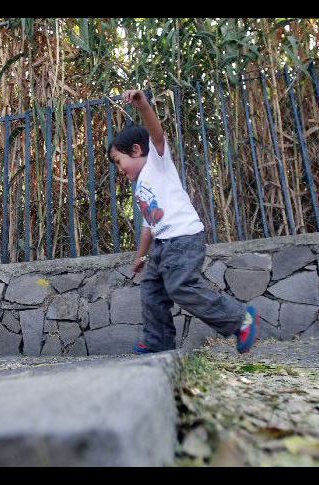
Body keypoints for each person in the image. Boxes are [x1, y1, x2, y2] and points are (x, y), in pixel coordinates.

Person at [108, 89, 259, 354]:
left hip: (183, 238)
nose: (119, 169)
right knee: (152, 290)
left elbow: (156, 134)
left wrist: (143, 106)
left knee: (181, 286)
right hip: (163, 245)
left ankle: (240, 319)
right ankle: (158, 342)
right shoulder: (142, 187)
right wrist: (141, 258)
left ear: (136, 150)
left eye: (119, 161)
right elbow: (149, 227)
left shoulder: (157, 163)